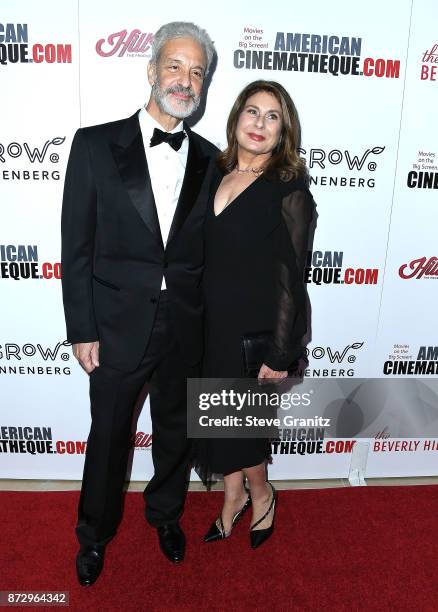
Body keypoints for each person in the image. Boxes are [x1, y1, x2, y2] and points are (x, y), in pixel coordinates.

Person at [61, 21, 218, 586]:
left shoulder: (211, 158)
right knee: (108, 438)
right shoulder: (94, 144)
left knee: (176, 432)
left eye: (197, 71)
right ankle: (94, 535)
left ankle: (165, 515)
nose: (185, 79)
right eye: (175, 66)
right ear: (151, 70)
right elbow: (75, 246)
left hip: (184, 327)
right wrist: (82, 328)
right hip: (116, 326)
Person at [193, 80, 314, 549]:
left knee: (242, 427)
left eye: (272, 116)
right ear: (236, 118)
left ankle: (261, 494)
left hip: (254, 331)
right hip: (208, 325)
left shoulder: (288, 187)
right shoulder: (213, 174)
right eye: (252, 111)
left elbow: (291, 276)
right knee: (214, 421)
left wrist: (281, 350)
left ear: (284, 131)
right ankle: (232, 497)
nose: (259, 123)